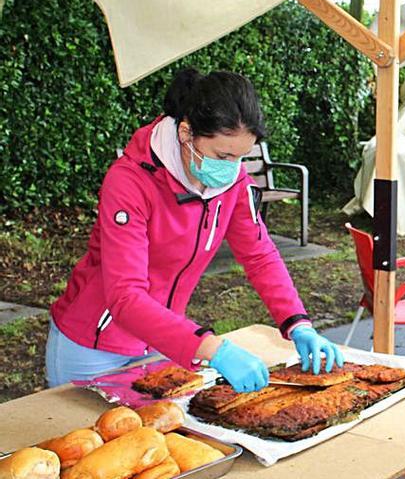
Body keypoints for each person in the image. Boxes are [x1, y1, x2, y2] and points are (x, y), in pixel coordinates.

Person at [46, 68, 343, 393]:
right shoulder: (129, 182)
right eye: (223, 156)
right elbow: (126, 296)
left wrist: (298, 323)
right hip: (93, 343)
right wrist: (214, 349)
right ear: (186, 133)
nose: (232, 169)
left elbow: (259, 256)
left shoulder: (233, 181)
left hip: (164, 340)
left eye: (240, 157)